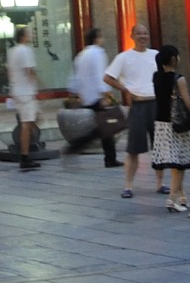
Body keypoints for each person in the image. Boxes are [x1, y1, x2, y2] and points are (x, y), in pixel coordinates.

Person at [104, 23, 164, 199]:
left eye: (145, 33)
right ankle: (128, 185)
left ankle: (160, 183)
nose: (143, 36)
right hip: (138, 105)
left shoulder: (156, 55)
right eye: (139, 33)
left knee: (159, 147)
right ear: (132, 36)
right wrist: (125, 90)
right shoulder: (124, 57)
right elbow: (108, 77)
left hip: (156, 104)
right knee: (133, 148)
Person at [151, 45, 190, 213]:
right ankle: (172, 198)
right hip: (175, 124)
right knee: (179, 163)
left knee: (176, 162)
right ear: (174, 59)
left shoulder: (156, 77)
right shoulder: (178, 79)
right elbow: (188, 102)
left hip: (161, 124)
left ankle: (183, 196)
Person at [65, 27, 120, 167]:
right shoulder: (98, 53)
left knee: (103, 127)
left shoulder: (81, 55)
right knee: (105, 127)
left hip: (86, 95)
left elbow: (75, 77)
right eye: (101, 36)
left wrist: (75, 93)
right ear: (96, 39)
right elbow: (99, 75)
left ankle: (108, 157)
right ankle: (107, 157)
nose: (103, 39)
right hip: (96, 96)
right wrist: (105, 93)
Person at [6, 25, 41, 171]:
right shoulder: (25, 50)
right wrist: (38, 84)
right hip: (26, 92)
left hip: (18, 90)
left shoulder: (12, 51)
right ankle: (25, 156)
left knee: (31, 121)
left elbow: (9, 71)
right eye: (28, 34)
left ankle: (26, 151)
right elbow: (29, 70)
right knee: (27, 125)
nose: (30, 36)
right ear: (23, 36)